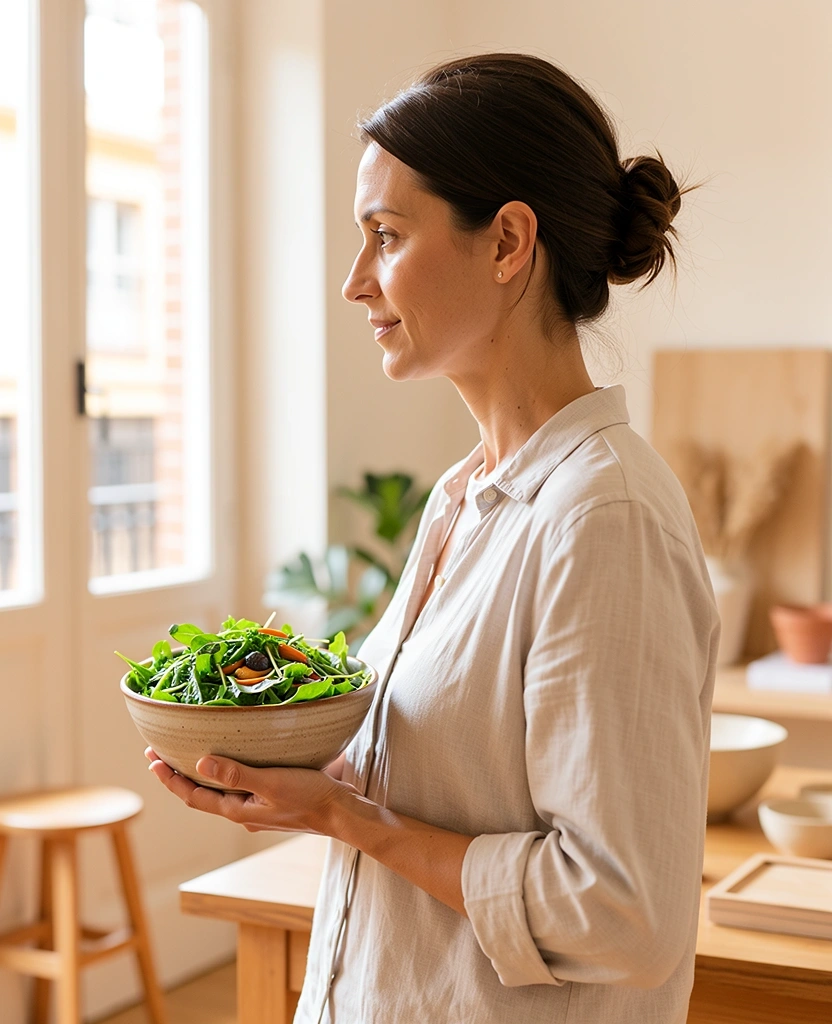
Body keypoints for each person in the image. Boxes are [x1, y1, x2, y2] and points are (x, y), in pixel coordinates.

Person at [148, 52, 720, 1024]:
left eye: (385, 235)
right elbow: (455, 784)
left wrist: (351, 819)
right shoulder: (465, 498)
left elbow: (621, 915)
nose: (352, 282)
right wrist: (304, 773)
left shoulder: (603, 518)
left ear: (506, 243)